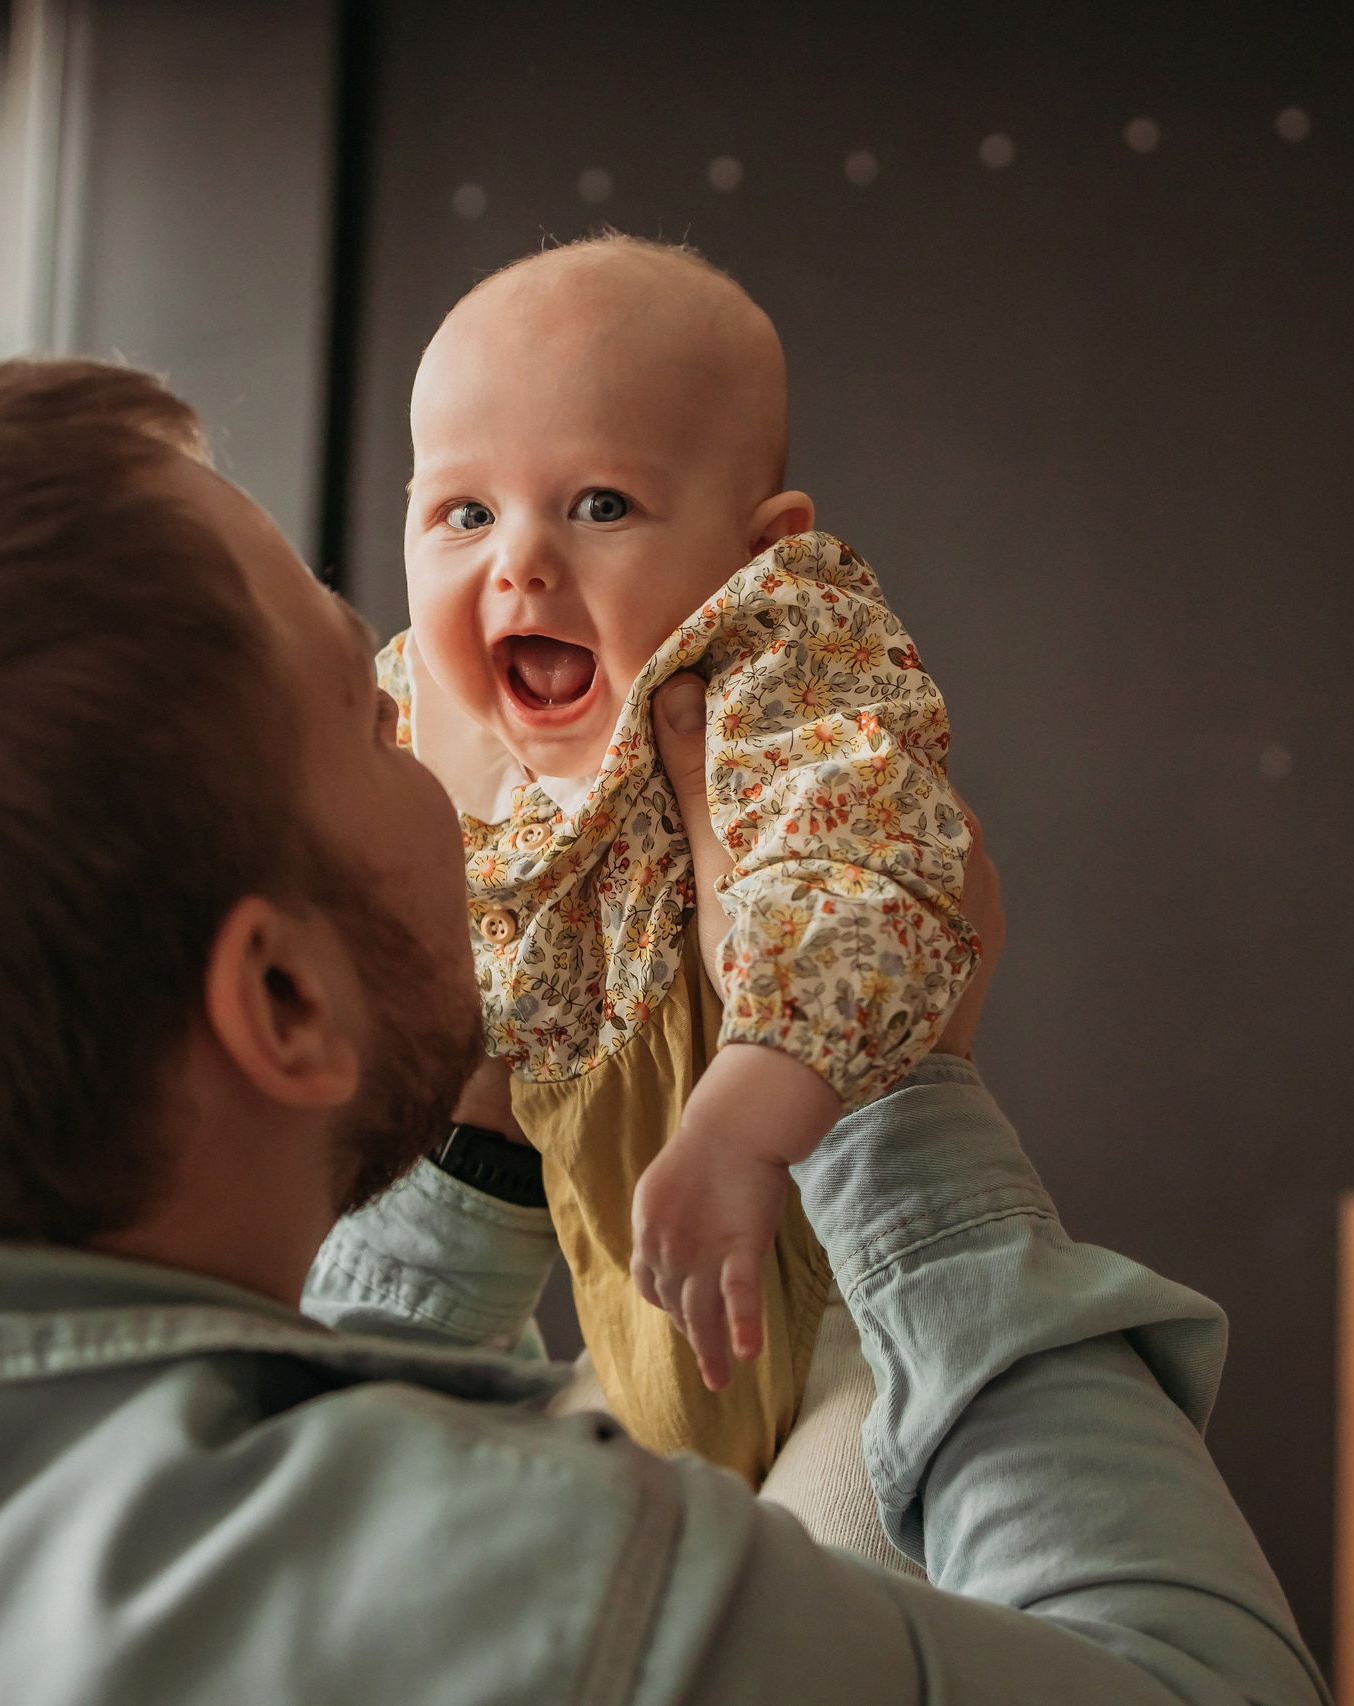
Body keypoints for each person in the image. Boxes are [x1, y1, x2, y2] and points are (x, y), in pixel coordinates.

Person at [0, 359, 1323, 1704]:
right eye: (366, 709)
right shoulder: (518, 1598)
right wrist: (891, 1078)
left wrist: (463, 1123)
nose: (437, 705)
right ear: (280, 1001)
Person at [389, 232, 972, 1503]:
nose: (519, 561)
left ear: (761, 547)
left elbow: (856, 883)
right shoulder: (422, 716)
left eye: (599, 504)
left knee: (841, 1562)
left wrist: (741, 1125)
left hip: (830, 1296)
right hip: (631, 1316)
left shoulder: (774, 668)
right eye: (463, 511)